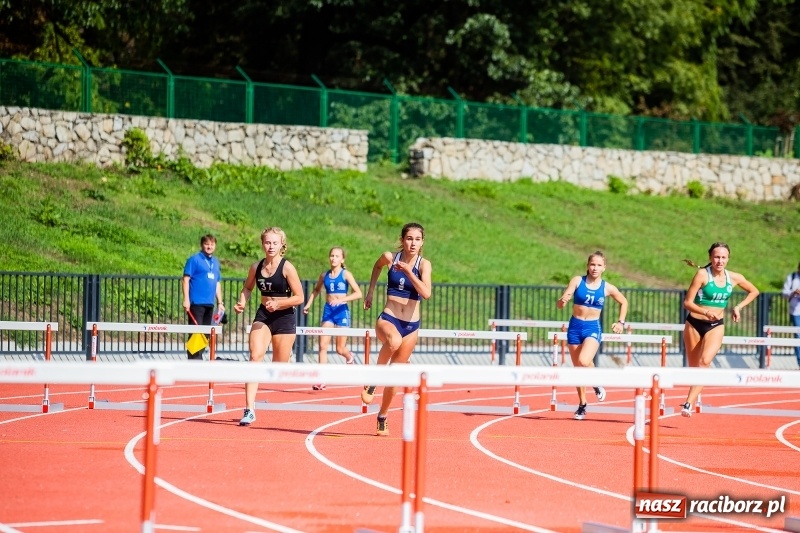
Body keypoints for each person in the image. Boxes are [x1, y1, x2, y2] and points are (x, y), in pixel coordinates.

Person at [361, 222, 432, 436]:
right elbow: (376, 267)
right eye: (409, 238)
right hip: (389, 318)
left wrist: (409, 272)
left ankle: (382, 416)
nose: (413, 243)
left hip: (411, 326)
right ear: (402, 240)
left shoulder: (423, 265)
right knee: (393, 341)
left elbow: (426, 293)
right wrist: (370, 292)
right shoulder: (390, 258)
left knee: (396, 376)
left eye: (417, 239)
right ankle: (374, 379)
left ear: (422, 242)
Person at [233, 227, 305, 426]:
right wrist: (242, 302)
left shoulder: (287, 268)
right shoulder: (256, 267)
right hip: (264, 315)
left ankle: (286, 355)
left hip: (284, 316)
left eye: (275, 243)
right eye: (267, 242)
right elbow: (247, 288)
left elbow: (299, 297)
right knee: (255, 357)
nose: (271, 246)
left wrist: (279, 303)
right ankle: (249, 409)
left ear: (282, 244)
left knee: (279, 367)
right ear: (262, 244)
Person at [681, 242, 759, 417]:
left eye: (723, 257)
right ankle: (695, 393)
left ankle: (688, 403)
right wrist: (705, 312)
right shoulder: (702, 274)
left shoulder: (734, 277)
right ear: (710, 257)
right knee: (694, 369)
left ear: (728, 259)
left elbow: (754, 291)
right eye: (716, 257)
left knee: (705, 362)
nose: (720, 261)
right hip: (694, 323)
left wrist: (738, 307)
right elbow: (687, 303)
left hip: (716, 325)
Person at [556, 251, 628, 420]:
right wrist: (562, 301)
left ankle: (596, 381)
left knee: (583, 361)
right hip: (575, 327)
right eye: (592, 264)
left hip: (592, 327)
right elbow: (560, 304)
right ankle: (582, 405)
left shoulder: (607, 287)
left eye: (599, 265)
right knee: (578, 369)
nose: (595, 268)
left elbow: (623, 301)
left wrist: (620, 322)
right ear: (587, 266)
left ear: (604, 268)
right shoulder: (577, 281)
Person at [303, 247, 363, 390]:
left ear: (342, 259)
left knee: (339, 348)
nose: (333, 258)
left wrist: (342, 300)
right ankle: (321, 379)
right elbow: (316, 290)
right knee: (322, 346)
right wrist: (308, 304)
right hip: (328, 312)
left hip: (342, 312)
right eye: (332, 255)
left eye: (337, 256)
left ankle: (349, 356)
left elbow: (358, 293)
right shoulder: (324, 275)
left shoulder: (346, 274)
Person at [182, 234, 224, 360]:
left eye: (212, 244)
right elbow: (185, 279)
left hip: (209, 303)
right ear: (201, 245)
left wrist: (220, 302)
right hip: (196, 303)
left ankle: (199, 358)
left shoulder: (215, 262)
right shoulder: (194, 259)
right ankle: (194, 360)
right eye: (206, 244)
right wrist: (186, 299)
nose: (209, 246)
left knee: (206, 333)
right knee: (196, 333)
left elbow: (217, 283)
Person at [781, 261, 800, 368]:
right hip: (796, 311)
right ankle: (799, 361)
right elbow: (784, 293)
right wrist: (793, 293)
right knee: (798, 335)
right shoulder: (792, 277)